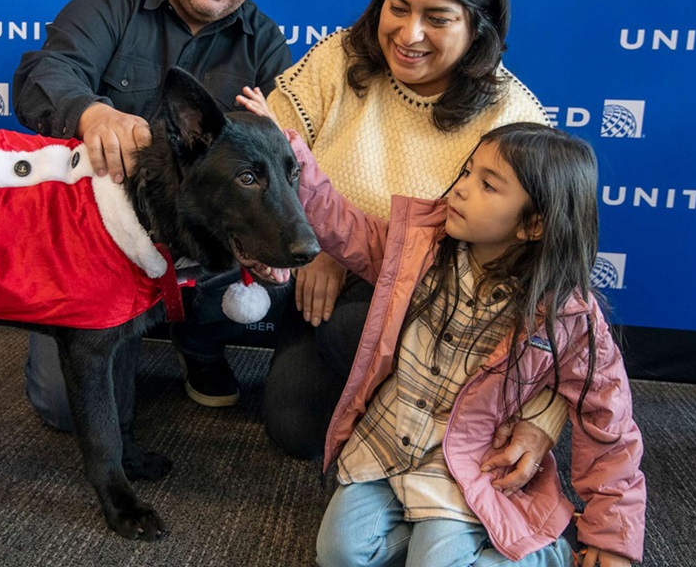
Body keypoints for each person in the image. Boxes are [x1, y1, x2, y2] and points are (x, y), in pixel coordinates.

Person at [241, 96, 647, 567]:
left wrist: (610, 539)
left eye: (488, 185)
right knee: (341, 554)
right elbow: (341, 225)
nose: (460, 189)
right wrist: (283, 151)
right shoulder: (420, 246)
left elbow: (610, 430)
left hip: (467, 462)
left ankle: (544, 554)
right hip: (389, 441)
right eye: (468, 171)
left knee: (434, 562)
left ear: (533, 225)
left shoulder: (568, 316)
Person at [258, 0, 567, 473]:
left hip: (443, 312)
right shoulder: (339, 58)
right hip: (327, 283)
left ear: (479, 25)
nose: (409, 34)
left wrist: (545, 413)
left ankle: (440, 424)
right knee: (294, 424)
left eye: (437, 18)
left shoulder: (515, 117)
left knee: (356, 330)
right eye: (397, 7)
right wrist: (315, 243)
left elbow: (556, 285)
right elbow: (269, 151)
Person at [12, 0, 293, 428]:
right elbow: (46, 72)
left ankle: (202, 346)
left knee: (284, 242)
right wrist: (90, 112)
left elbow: (286, 159)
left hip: (200, 243)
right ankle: (109, 343)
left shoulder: (263, 41)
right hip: (99, 240)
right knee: (64, 409)